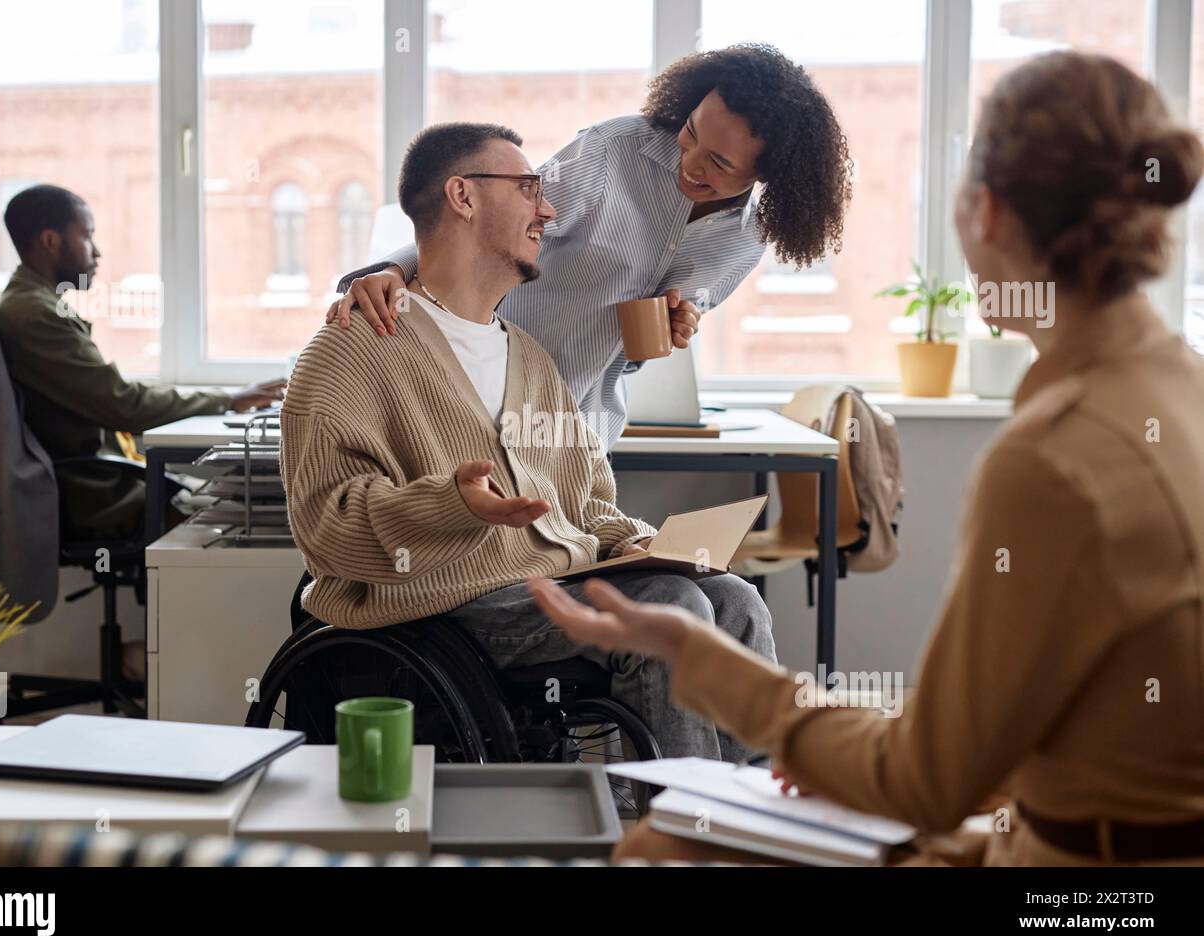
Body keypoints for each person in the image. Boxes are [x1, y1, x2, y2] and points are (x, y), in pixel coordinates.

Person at [528, 51, 1204, 866]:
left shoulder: (1052, 459)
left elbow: (924, 779)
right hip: (1076, 827)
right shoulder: (1177, 389)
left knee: (660, 849)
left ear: (985, 212)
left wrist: (707, 663)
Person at [281, 122, 775, 760]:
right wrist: (451, 505)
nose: (547, 208)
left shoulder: (531, 358)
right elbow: (327, 529)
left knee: (735, 600)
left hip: (548, 583)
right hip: (449, 601)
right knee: (672, 607)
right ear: (463, 197)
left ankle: (754, 819)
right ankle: (683, 838)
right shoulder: (355, 345)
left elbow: (588, 502)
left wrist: (640, 544)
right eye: (527, 188)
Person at [327, 43, 852, 447]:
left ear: (767, 172)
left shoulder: (747, 238)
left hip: (581, 432)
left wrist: (672, 328)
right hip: (482, 403)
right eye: (692, 134)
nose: (691, 162)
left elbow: (635, 354)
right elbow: (492, 224)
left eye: (720, 163)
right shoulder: (613, 150)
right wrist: (393, 270)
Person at [0, 184, 285, 541]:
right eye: (87, 236)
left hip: (105, 476)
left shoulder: (31, 305)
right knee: (245, 521)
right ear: (50, 241)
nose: (96, 252)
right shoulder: (37, 315)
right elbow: (123, 405)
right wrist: (228, 400)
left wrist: (227, 398)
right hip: (97, 490)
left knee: (240, 498)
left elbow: (115, 396)